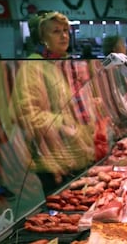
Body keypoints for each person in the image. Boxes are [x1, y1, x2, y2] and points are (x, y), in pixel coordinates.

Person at [10, 11, 95, 194]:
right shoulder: (32, 67)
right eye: (56, 31)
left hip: (75, 153)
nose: (64, 35)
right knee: (60, 215)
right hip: (53, 159)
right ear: (42, 37)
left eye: (65, 30)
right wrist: (63, 122)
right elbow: (26, 115)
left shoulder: (61, 63)